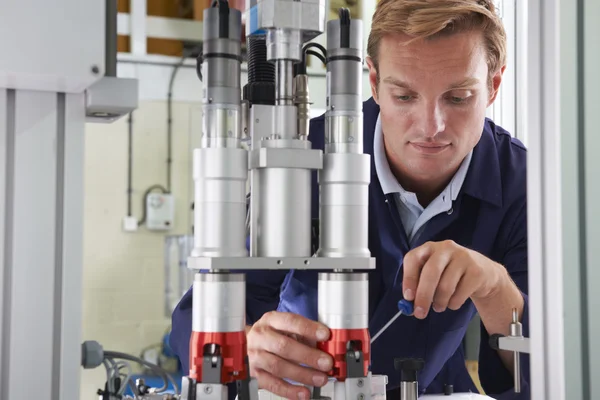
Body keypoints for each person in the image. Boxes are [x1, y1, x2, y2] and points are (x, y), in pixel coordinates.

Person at [170, 0, 530, 399]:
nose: (431, 126)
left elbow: (555, 368)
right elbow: (195, 316)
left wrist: (496, 288)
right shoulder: (305, 155)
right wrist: (247, 344)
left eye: (458, 97)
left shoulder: (521, 183)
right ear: (373, 83)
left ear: (494, 85)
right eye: (405, 96)